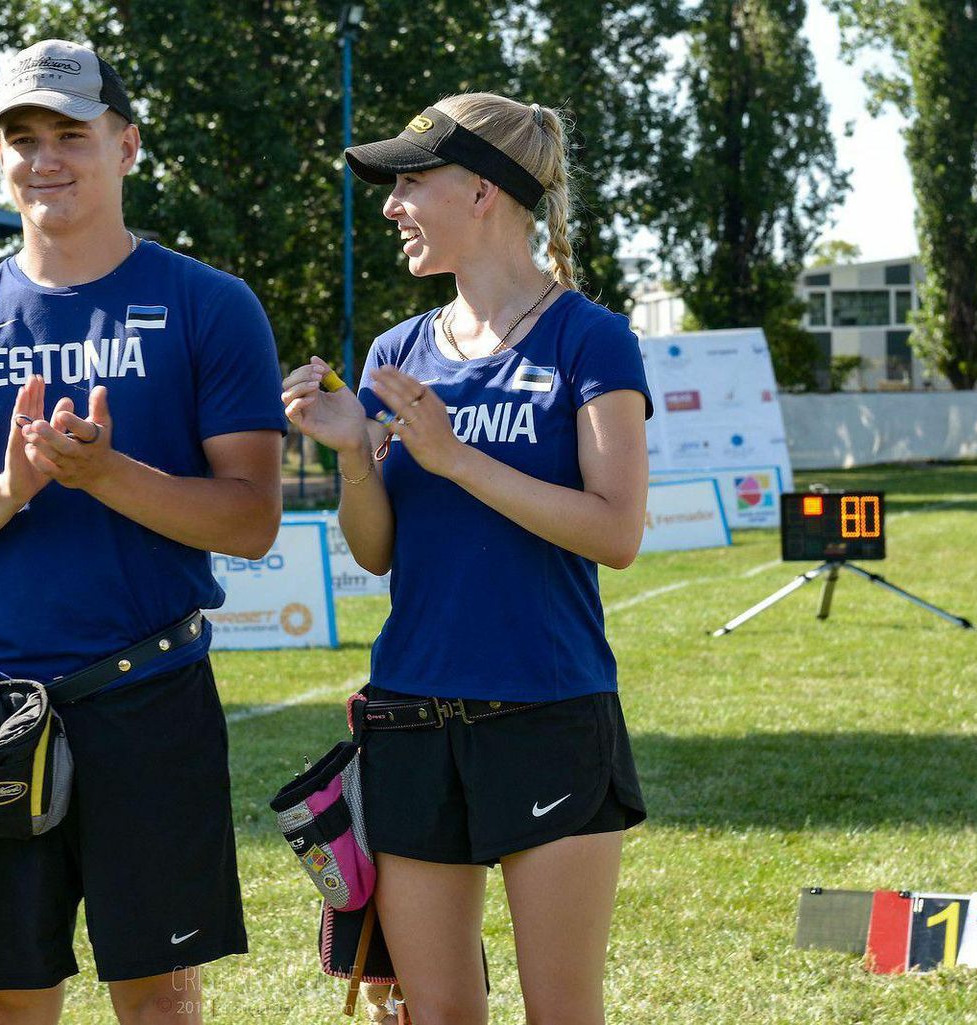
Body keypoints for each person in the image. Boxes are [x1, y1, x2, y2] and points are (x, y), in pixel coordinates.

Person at [0, 39, 286, 1025]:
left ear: (126, 146)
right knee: (7, 1004)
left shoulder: (209, 305)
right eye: (22, 138)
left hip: (153, 698)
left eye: (70, 134)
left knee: (162, 1000)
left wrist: (105, 474)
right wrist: (9, 489)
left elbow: (252, 516)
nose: (44, 158)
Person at [281, 93, 652, 1025]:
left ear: (483, 189)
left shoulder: (590, 338)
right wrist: (352, 453)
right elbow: (377, 552)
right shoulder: (398, 351)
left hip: (547, 713)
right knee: (435, 1013)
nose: (391, 205)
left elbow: (617, 532)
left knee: (561, 1012)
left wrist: (455, 458)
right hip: (409, 720)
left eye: (411, 182)